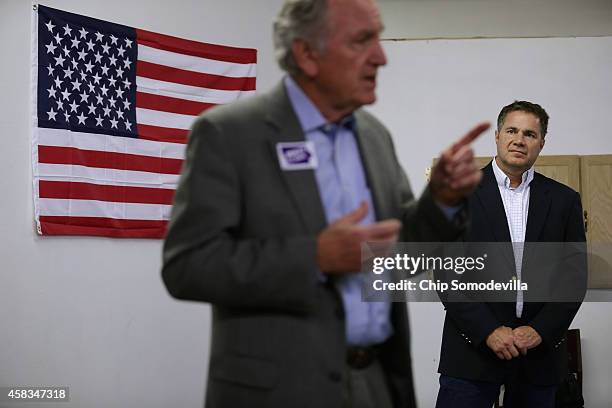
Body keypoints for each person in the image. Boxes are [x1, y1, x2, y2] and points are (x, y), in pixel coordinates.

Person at [162, 0, 488, 407]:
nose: (381, 56)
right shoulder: (229, 134)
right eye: (361, 41)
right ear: (307, 54)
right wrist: (315, 257)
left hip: (378, 382)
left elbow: (402, 253)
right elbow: (187, 266)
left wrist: (441, 201)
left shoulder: (374, 136)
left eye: (379, 38)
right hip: (278, 391)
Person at [435, 101, 586, 408]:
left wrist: (540, 330)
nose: (519, 139)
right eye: (512, 130)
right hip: (471, 352)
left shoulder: (564, 201)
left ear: (541, 144)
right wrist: (488, 330)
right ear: (497, 136)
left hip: (538, 356)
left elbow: (573, 278)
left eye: (530, 134)